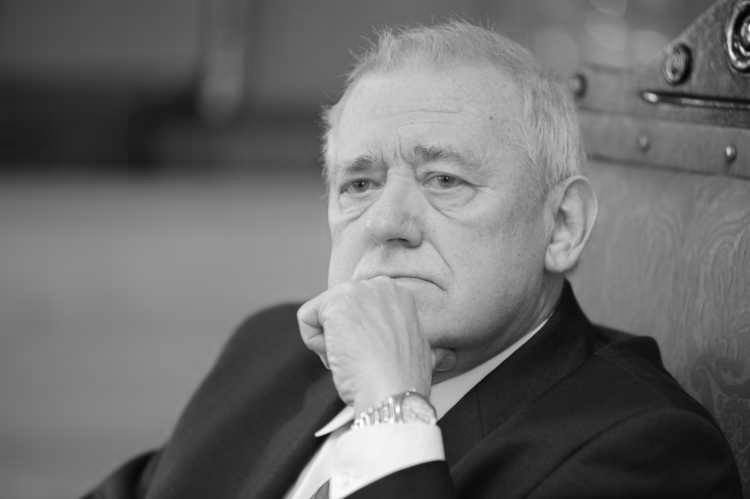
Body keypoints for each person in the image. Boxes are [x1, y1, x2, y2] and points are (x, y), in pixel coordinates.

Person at [84, 21, 741, 498]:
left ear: (562, 225)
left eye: (444, 180)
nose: (386, 224)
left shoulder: (648, 450)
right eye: (359, 184)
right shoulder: (270, 351)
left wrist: (391, 413)